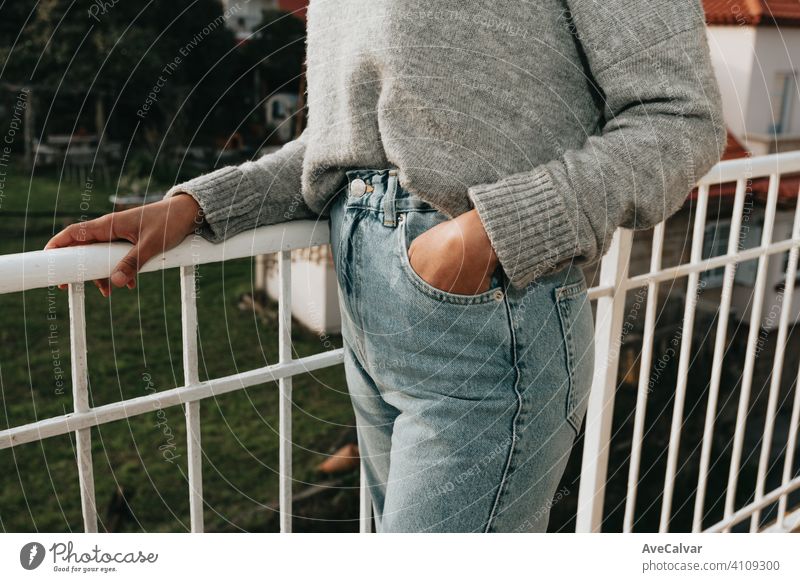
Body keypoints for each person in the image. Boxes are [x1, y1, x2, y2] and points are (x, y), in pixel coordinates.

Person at [46, 0, 726, 532]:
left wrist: (488, 232)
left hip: (490, 308)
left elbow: (681, 118)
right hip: (372, 308)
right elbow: (341, 147)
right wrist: (194, 206)